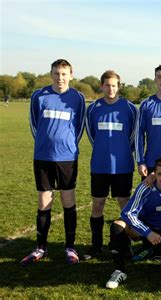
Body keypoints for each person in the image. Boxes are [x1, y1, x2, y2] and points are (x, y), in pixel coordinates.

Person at [22, 59, 86, 265]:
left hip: (67, 157)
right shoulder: (38, 96)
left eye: (64, 74)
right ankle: (41, 248)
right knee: (43, 202)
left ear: (71, 75)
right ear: (51, 74)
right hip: (42, 156)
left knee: (68, 200)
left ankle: (70, 247)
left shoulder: (78, 98)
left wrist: (67, 145)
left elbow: (79, 126)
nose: (60, 78)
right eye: (56, 74)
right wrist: (44, 144)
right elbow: (34, 124)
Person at [105, 157, 161, 289]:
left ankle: (154, 251)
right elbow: (128, 213)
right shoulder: (146, 187)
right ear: (155, 173)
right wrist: (147, 232)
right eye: (159, 174)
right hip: (146, 230)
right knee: (118, 225)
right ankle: (120, 271)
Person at [83, 70, 138, 260]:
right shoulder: (93, 108)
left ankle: (124, 245)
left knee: (124, 205)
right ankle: (96, 246)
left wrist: (122, 150)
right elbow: (91, 135)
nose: (111, 88)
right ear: (101, 86)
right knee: (97, 205)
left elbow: (134, 136)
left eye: (114, 85)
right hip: (99, 165)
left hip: (122, 165)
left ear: (119, 86)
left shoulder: (130, 108)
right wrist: (102, 149)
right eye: (107, 85)